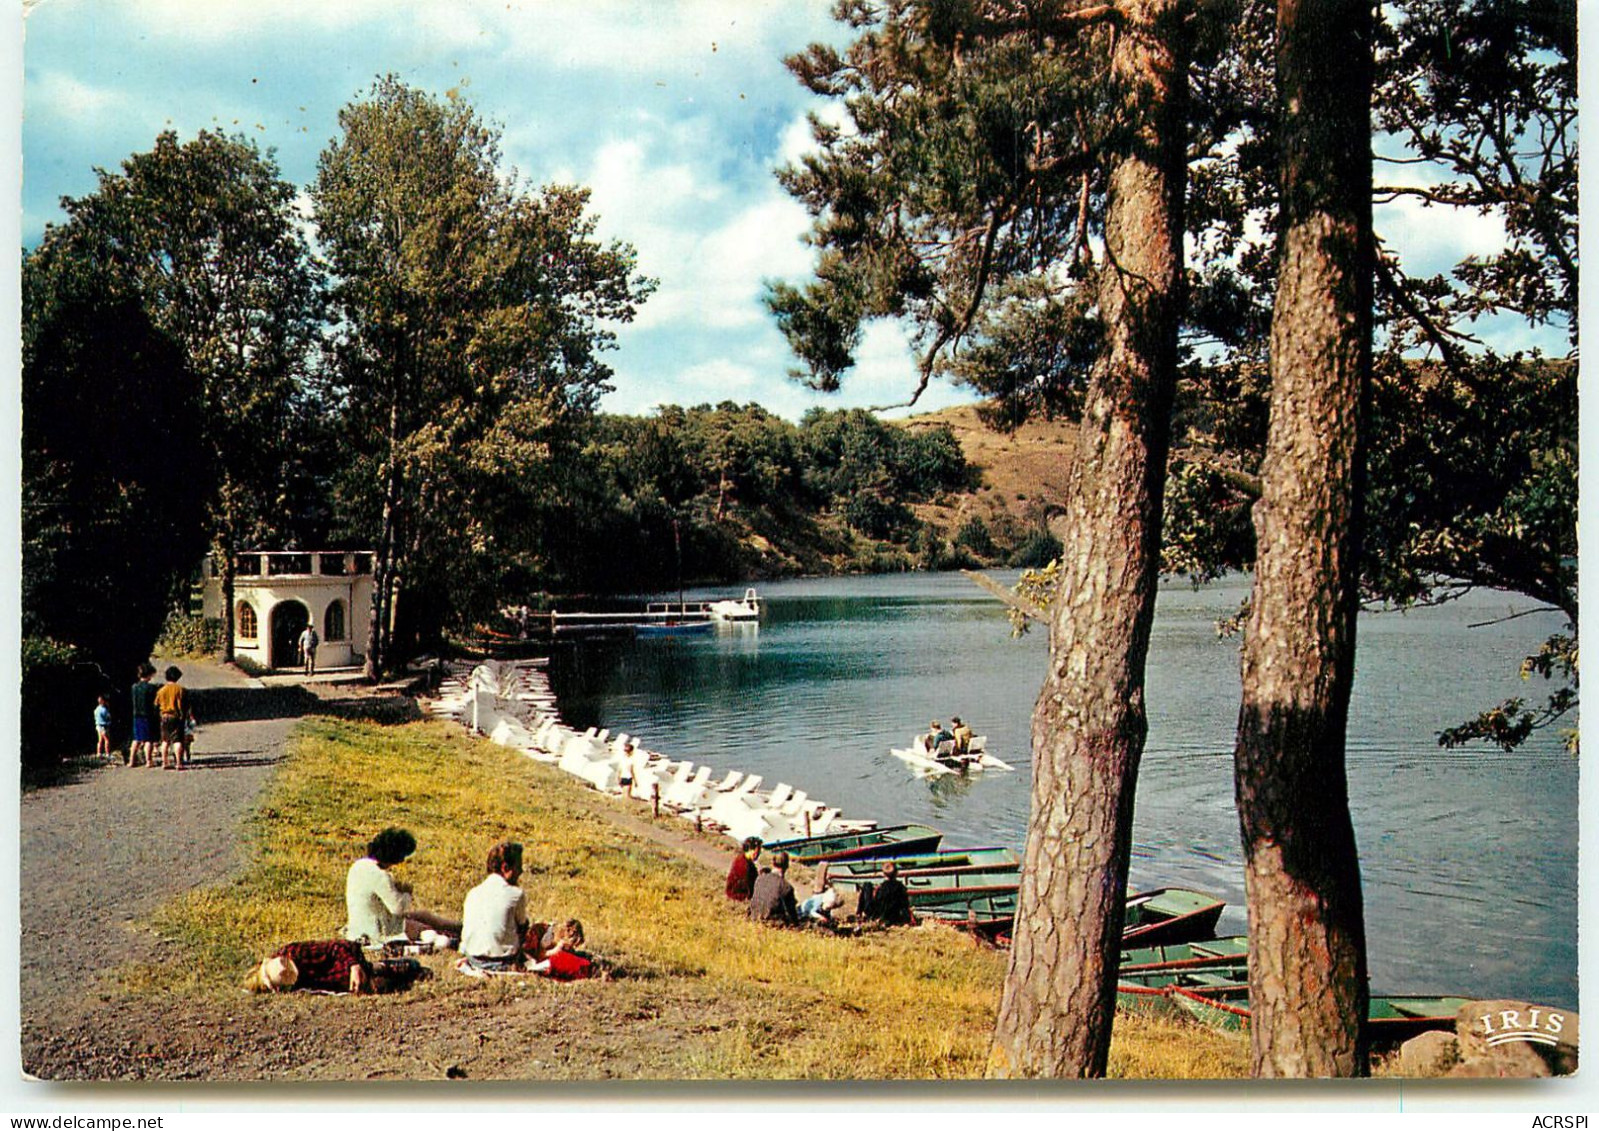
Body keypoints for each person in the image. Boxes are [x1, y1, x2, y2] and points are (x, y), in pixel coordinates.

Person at [344, 828, 462, 946]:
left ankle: (457, 926)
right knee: (423, 929)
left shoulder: (358, 866)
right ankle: (452, 938)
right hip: (377, 932)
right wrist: (406, 893)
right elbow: (398, 909)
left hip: (359, 926)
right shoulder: (380, 876)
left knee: (423, 915)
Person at [244, 939, 425, 995]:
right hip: (351, 983)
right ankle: (381, 971)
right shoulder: (297, 989)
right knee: (382, 985)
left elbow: (338, 946)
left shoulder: (295, 953)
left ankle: (381, 966)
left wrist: (354, 966)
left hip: (351, 962)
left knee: (410, 967)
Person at [459, 841, 531, 973]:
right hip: (503, 961)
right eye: (518, 867)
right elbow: (522, 927)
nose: (521, 871)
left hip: (473, 958)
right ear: (506, 868)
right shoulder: (516, 894)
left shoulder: (473, 893)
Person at [747, 851, 799, 926]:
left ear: (773, 863)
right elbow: (793, 914)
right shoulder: (786, 886)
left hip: (754, 918)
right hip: (772, 923)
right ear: (787, 866)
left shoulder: (760, 878)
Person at [860, 860, 914, 927]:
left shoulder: (881, 888)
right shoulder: (900, 887)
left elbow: (877, 901)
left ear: (883, 874)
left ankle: (859, 913)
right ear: (896, 873)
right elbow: (905, 905)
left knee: (867, 885)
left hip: (880, 915)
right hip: (894, 916)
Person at [153, 666, 187, 770]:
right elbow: (182, 704)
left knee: (165, 741)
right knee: (177, 741)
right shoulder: (180, 689)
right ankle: (178, 763)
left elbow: (156, 704)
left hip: (164, 716)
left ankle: (165, 762)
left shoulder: (161, 690)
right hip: (175, 716)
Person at [129, 664, 159, 769]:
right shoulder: (151, 688)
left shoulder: (134, 687)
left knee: (136, 738)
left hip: (137, 715)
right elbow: (155, 703)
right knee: (148, 740)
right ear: (149, 675)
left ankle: (131, 760)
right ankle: (148, 760)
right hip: (148, 715)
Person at [725, 836, 762, 901]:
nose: (759, 854)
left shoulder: (746, 861)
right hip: (739, 897)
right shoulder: (742, 865)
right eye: (757, 851)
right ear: (751, 850)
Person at [93, 695, 112, 761]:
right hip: (104, 726)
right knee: (107, 740)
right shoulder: (104, 710)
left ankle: (99, 753)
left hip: (98, 726)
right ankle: (107, 754)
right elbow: (108, 717)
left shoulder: (96, 709)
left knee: (100, 740)